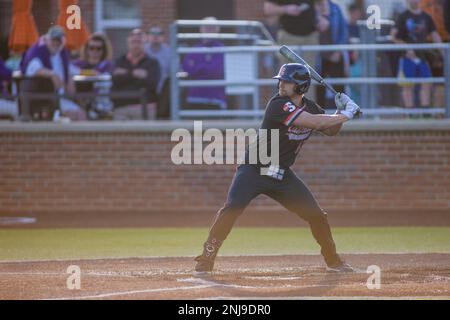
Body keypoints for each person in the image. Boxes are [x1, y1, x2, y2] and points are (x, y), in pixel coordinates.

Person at [193, 63, 361, 276]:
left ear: (300, 86)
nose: (281, 85)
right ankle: (206, 259)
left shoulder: (311, 108)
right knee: (233, 207)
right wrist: (347, 114)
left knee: (317, 216)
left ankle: (334, 261)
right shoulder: (278, 104)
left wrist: (339, 111)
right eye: (281, 80)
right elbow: (317, 123)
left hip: (279, 173)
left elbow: (331, 130)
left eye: (287, 82)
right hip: (254, 168)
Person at [264, 0, 327, 100]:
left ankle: (308, 111)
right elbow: (267, 8)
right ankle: (287, 110)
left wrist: (323, 18)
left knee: (309, 77)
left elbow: (323, 4)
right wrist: (286, 9)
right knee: (287, 78)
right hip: (288, 37)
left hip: (310, 37)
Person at [20, 26, 86, 121]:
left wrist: (72, 77)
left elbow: (73, 70)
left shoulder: (61, 53)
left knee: (82, 113)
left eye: (58, 40)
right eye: (53, 40)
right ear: (47, 39)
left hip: (62, 97)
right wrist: (52, 75)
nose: (56, 43)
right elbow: (33, 69)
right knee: (77, 115)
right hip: (46, 101)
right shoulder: (38, 51)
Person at [391, 0, 442, 110]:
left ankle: (425, 111)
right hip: (407, 57)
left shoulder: (426, 17)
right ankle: (410, 113)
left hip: (422, 57)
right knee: (408, 86)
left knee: (426, 83)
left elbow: (435, 35)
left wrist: (442, 51)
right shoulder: (402, 16)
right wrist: (406, 47)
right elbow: (394, 36)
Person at [112, 29, 160, 120]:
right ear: (128, 43)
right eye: (133, 42)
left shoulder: (152, 63)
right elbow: (115, 81)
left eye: (139, 42)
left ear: (145, 43)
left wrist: (125, 74)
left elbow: (152, 84)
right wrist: (135, 74)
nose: (136, 45)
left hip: (145, 107)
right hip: (121, 108)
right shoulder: (119, 61)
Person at [181, 17, 226, 110]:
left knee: (214, 125)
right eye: (206, 28)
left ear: (217, 30)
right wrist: (206, 67)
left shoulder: (222, 48)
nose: (209, 30)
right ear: (201, 29)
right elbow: (186, 67)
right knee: (197, 124)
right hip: (195, 98)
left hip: (215, 98)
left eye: (212, 28)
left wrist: (197, 66)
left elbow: (216, 70)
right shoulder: (195, 48)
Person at [315, 0, 349, 108]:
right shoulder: (311, 8)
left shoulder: (335, 8)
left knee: (339, 88)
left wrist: (338, 50)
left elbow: (344, 32)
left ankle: (343, 114)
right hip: (318, 56)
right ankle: (320, 116)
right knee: (318, 87)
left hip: (335, 54)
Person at [73, 33, 114, 119]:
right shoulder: (78, 64)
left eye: (98, 48)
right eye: (91, 48)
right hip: (79, 102)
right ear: (87, 49)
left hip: (100, 103)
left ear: (104, 50)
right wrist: (90, 73)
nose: (94, 51)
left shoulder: (107, 65)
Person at [145, 26, 171, 119]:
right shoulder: (143, 50)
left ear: (163, 37)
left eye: (158, 34)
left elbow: (176, 70)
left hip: (164, 88)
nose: (155, 36)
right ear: (147, 36)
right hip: (147, 86)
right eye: (153, 34)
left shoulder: (169, 51)